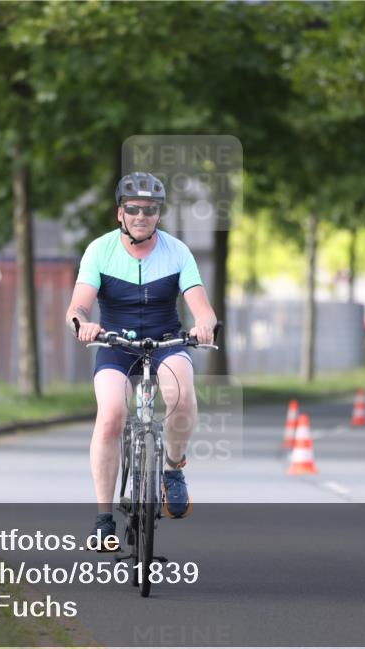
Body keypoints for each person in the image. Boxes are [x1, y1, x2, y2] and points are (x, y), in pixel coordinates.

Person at [66, 172, 218, 546]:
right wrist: (83, 323)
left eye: (149, 210)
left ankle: (172, 470)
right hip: (114, 343)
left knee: (181, 397)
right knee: (111, 416)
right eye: (133, 209)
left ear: (158, 214)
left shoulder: (177, 251)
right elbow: (78, 306)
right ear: (120, 213)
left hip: (166, 340)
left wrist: (203, 325)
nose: (141, 216)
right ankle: (104, 519)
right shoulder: (99, 250)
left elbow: (203, 308)